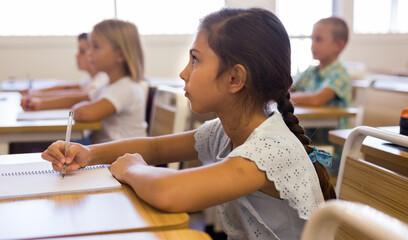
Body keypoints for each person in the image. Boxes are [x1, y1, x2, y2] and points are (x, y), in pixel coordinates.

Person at [42, 8, 335, 240]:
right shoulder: (225, 131)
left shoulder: (269, 150)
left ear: (235, 79)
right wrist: (88, 153)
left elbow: (170, 193)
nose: (183, 73)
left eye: (195, 59)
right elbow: (155, 148)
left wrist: (132, 168)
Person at [290, 17, 352, 176]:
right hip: (311, 148)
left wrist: (292, 97)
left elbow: (317, 99)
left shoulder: (339, 74)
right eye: (312, 39)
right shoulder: (311, 71)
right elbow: (289, 90)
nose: (313, 45)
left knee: (289, 165)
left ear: (339, 45)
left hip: (332, 157)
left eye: (319, 40)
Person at [71, 19, 147, 143]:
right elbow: (83, 99)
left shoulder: (125, 87)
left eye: (95, 47)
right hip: (111, 155)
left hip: (123, 158)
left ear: (120, 55)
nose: (89, 53)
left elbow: (83, 113)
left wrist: (76, 108)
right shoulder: (108, 84)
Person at [20, 33, 108, 111]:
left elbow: (81, 97)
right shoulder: (90, 78)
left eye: (82, 51)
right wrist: (36, 93)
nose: (76, 55)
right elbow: (67, 87)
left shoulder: (102, 78)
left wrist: (38, 99)